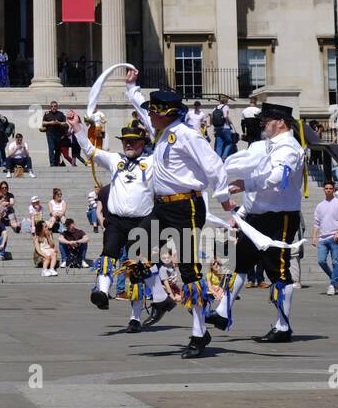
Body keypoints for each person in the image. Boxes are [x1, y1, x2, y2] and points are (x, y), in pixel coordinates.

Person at [126, 70, 228, 359]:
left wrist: (223, 197)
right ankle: (160, 299)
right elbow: (141, 111)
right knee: (137, 246)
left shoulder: (186, 135)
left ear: (166, 114)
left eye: (154, 112)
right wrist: (132, 87)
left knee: (189, 269)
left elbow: (213, 164)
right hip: (163, 206)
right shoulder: (162, 131)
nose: (149, 116)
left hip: (186, 206)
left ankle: (199, 332)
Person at [211, 101, 306, 342]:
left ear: (281, 122)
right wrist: (241, 212)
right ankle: (223, 312)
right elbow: (251, 172)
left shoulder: (289, 148)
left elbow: (276, 179)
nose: (262, 122)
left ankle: (283, 326)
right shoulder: (267, 146)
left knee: (279, 272)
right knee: (240, 264)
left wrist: (244, 183)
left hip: (279, 217)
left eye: (267, 119)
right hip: (257, 217)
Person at [68, 113, 166, 331]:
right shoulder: (116, 160)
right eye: (125, 141)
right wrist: (77, 128)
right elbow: (90, 151)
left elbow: (166, 150)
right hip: (116, 221)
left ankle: (136, 316)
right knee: (107, 254)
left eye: (133, 141)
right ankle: (102, 292)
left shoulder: (151, 162)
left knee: (137, 269)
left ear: (142, 143)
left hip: (141, 223)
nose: (129, 144)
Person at [311, 182, 338, 296]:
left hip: (335, 237)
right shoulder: (320, 205)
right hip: (322, 238)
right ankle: (334, 277)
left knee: (336, 262)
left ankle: (333, 284)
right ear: (324, 190)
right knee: (321, 261)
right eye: (326, 188)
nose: (328, 190)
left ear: (333, 190)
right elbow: (316, 223)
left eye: (330, 188)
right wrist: (314, 236)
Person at [41, 101, 67, 167]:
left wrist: (59, 123)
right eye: (52, 106)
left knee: (58, 149)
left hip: (58, 134)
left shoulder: (61, 114)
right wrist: (50, 123)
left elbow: (64, 123)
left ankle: (56, 162)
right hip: (50, 133)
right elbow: (43, 123)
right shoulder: (47, 114)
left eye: (55, 106)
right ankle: (52, 163)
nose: (53, 107)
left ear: (57, 107)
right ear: (50, 107)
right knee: (51, 148)